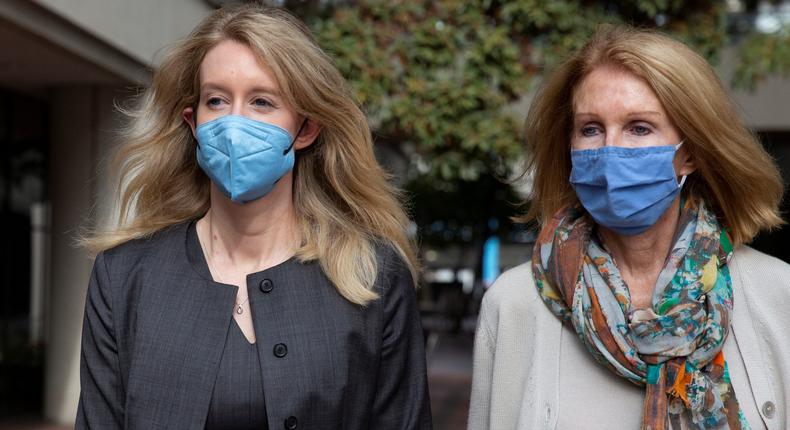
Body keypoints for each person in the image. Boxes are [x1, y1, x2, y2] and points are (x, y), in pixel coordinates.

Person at [76, 5, 431, 429]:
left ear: (306, 129)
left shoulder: (372, 275)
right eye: (217, 100)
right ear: (193, 122)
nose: (234, 123)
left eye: (262, 102)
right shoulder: (125, 276)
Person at [468, 25, 789, 430]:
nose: (609, 151)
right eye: (590, 128)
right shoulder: (513, 305)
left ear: (689, 154)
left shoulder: (777, 294)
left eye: (639, 128)